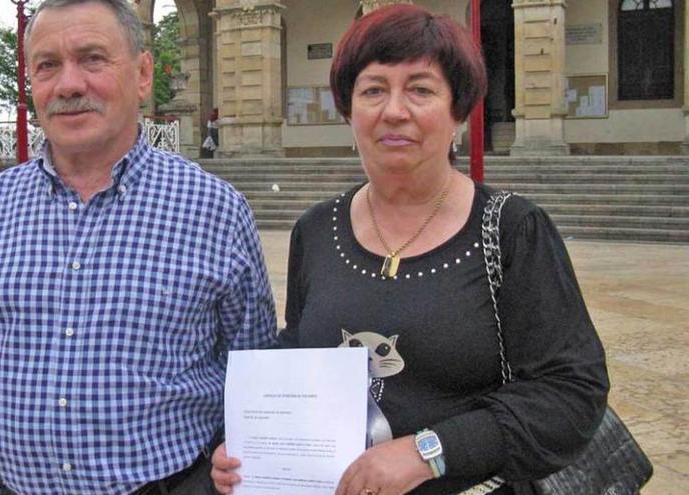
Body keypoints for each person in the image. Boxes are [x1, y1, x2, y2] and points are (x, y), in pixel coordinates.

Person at [211, 5, 609, 495]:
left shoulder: (511, 230)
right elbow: (301, 350)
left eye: (421, 89)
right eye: (374, 90)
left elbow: (571, 393)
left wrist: (430, 451)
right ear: (349, 110)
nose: (394, 110)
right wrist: (252, 440)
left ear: (458, 111)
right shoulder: (316, 230)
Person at [0, 1, 277, 495]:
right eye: (48, 65)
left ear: (142, 74)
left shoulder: (215, 211)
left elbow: (253, 367)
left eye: (93, 58)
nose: (69, 85)